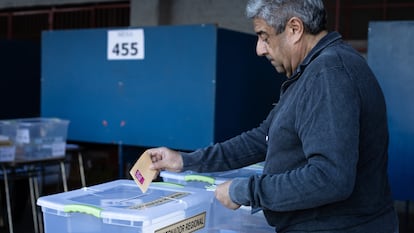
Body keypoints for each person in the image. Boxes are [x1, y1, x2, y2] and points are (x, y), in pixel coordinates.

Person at [147, 0, 399, 232]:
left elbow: (329, 178)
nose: (259, 49)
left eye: (263, 36)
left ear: (294, 29)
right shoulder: (312, 73)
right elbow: (261, 139)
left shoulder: (328, 75)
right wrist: (185, 161)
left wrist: (246, 191)